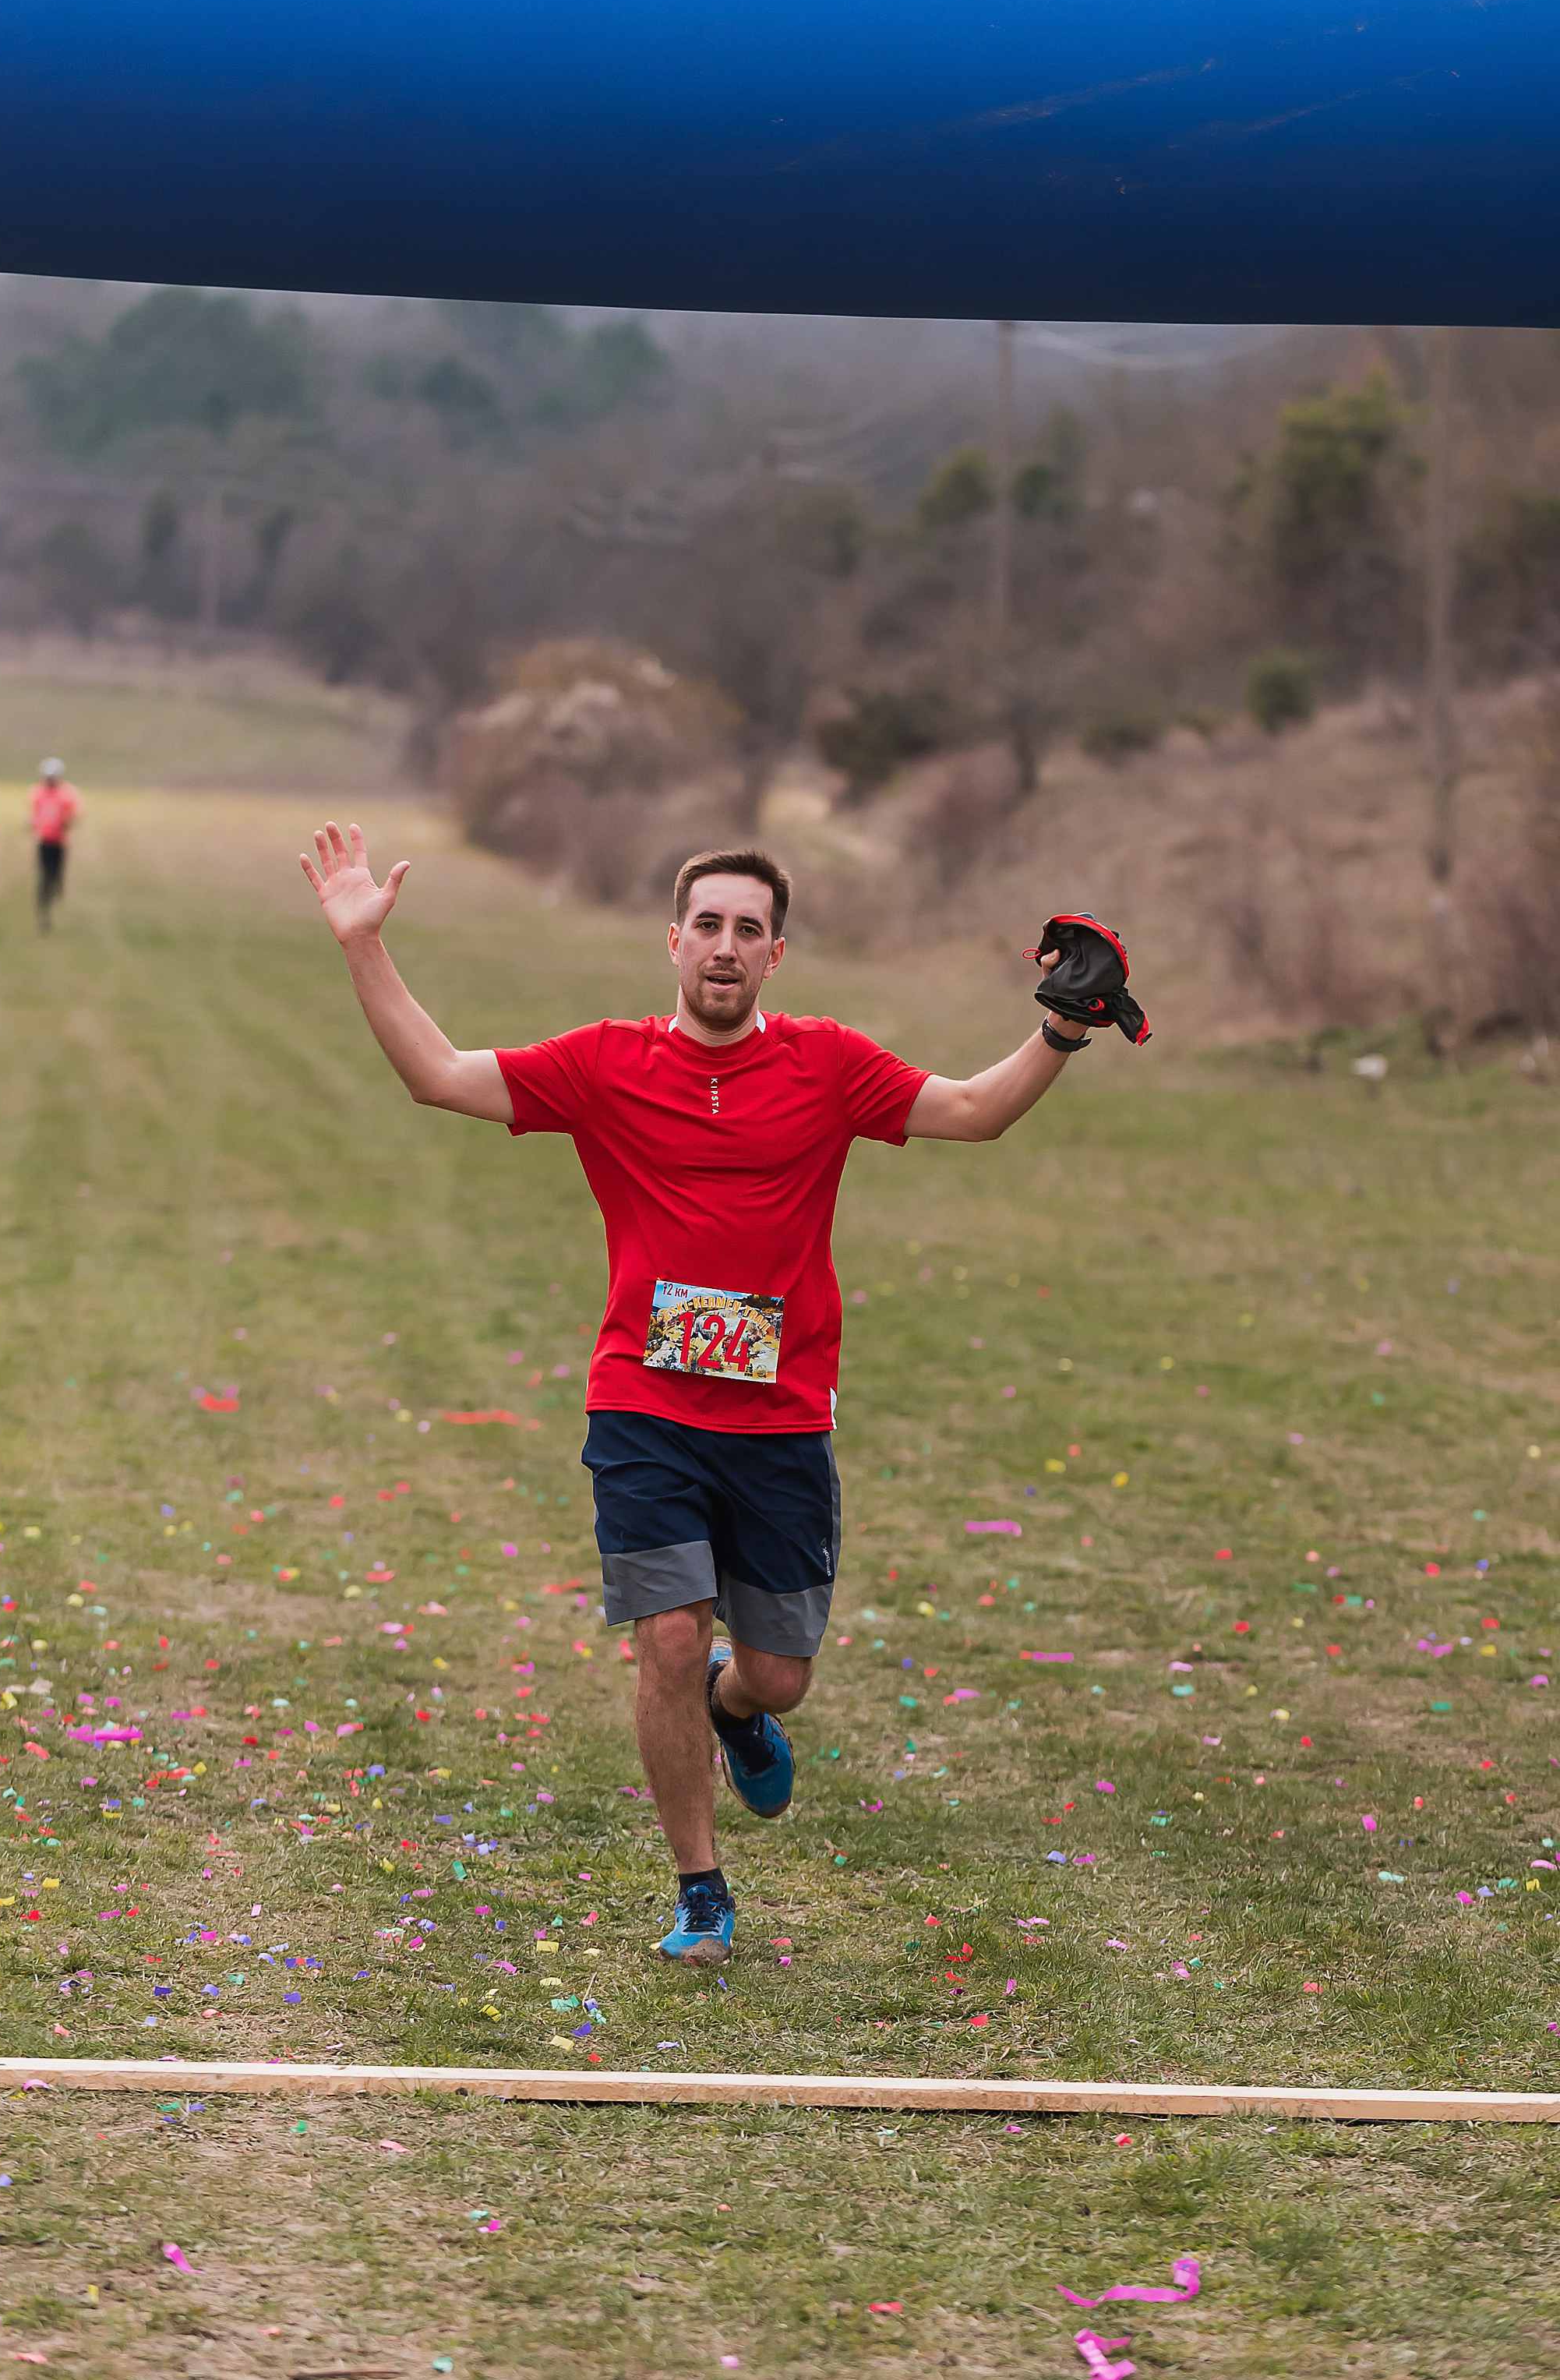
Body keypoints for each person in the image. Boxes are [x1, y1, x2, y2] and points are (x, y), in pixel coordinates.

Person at [302, 822, 1103, 1969]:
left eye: (750, 931)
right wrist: (362, 947)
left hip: (780, 1421)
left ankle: (742, 1710)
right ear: (674, 943)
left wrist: (1062, 1029)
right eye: (709, 927)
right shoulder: (605, 1064)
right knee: (669, 1639)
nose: (726, 948)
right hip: (645, 1405)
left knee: (774, 1673)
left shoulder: (827, 1065)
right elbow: (438, 1077)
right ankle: (701, 1891)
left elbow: (975, 1109)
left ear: (775, 956)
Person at [28, 757, 82, 930]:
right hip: (44, 840)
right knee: (45, 874)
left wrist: (68, 823)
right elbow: (34, 814)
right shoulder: (37, 792)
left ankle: (53, 895)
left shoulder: (67, 793)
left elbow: (74, 816)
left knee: (57, 873)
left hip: (60, 841)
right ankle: (44, 907)